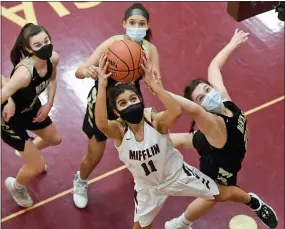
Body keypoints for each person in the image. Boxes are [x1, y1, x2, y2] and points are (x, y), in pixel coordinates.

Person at [94, 53, 271, 229]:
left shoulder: (155, 121)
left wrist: (155, 85)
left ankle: (252, 202)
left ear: (141, 100)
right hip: (147, 188)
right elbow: (101, 123)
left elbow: (176, 111)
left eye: (133, 99)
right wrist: (102, 85)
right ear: (117, 112)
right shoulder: (119, 130)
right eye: (123, 103)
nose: (130, 104)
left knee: (222, 193)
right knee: (140, 227)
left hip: (178, 175)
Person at [164, 29, 278, 228]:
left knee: (186, 140)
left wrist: (233, 43)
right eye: (201, 99)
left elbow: (214, 66)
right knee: (214, 195)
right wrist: (156, 88)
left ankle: (147, 141)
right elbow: (191, 109)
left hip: (219, 145)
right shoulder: (212, 122)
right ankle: (178, 224)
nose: (208, 96)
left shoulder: (224, 99)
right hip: (218, 163)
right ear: (200, 106)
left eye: (208, 90)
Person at [73, 3, 160, 208]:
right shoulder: (113, 44)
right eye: (132, 23)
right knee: (95, 154)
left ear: (147, 26)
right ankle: (81, 180)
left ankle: (141, 176)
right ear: (124, 23)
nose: (136, 27)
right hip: (102, 104)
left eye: (141, 23)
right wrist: (88, 71)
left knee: (140, 147)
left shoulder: (150, 50)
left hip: (130, 103)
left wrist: (152, 79)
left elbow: (156, 86)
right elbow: (79, 70)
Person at [1, 23, 62, 208]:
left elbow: (52, 80)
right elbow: (5, 91)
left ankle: (26, 150)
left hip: (31, 108)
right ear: (28, 49)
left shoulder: (53, 59)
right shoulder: (24, 73)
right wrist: (9, 101)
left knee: (55, 139)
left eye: (46, 41)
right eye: (37, 45)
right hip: (9, 119)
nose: (45, 46)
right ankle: (16, 186)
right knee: (36, 166)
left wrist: (49, 103)